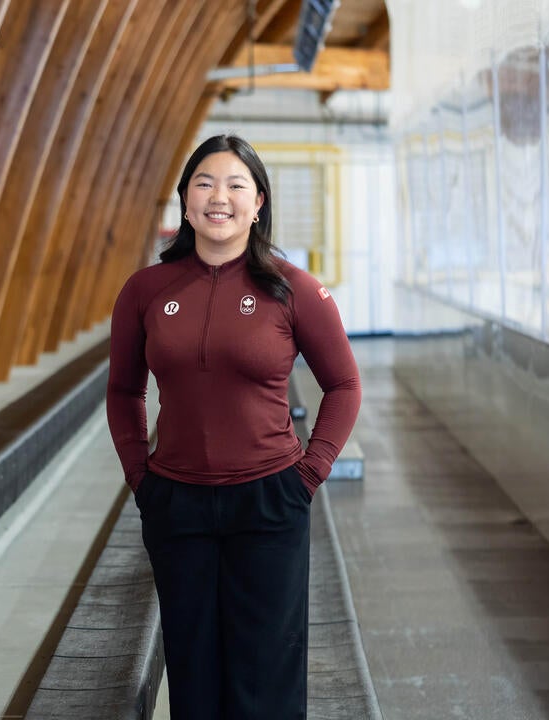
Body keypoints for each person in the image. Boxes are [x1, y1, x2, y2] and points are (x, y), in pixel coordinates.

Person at [106, 134, 361, 719]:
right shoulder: (145, 291)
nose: (219, 197)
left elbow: (344, 385)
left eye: (235, 185)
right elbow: (124, 391)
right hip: (177, 503)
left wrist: (309, 473)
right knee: (194, 670)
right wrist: (140, 477)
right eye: (204, 183)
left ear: (258, 202)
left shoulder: (292, 288)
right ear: (186, 201)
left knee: (266, 670)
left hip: (269, 501)